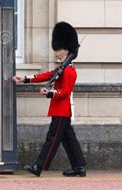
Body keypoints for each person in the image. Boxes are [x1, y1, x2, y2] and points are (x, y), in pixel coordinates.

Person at [13, 21, 86, 177]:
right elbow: (45, 76)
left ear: (66, 50)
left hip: (62, 110)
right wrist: (24, 79)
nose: (56, 52)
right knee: (69, 140)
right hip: (60, 111)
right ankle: (79, 166)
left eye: (58, 49)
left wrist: (49, 92)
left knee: (52, 139)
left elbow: (65, 92)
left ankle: (38, 167)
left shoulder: (69, 71)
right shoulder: (62, 68)